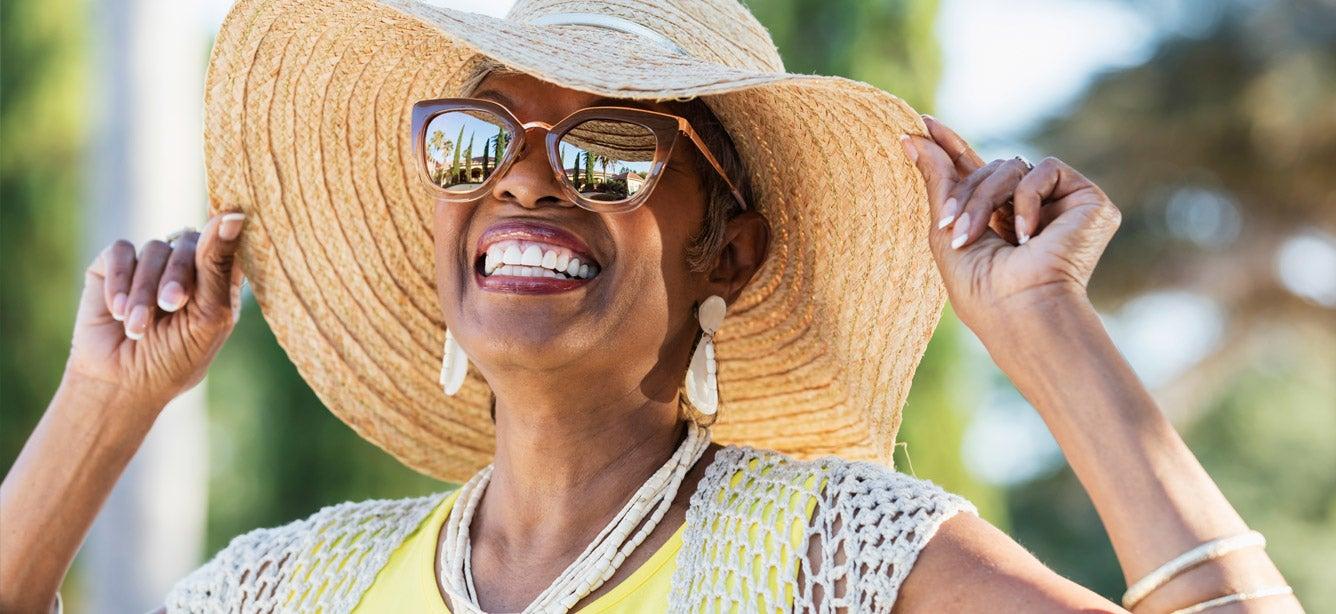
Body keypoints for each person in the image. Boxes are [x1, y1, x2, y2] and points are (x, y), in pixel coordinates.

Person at [0, 0, 1302, 612]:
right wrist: (102, 407)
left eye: (610, 150)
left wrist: (1044, 326)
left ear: (726, 249)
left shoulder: (841, 556)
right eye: (473, 140)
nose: (522, 176)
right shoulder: (295, 586)